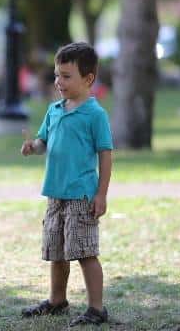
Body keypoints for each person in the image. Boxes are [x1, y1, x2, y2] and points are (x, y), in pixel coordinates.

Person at [19, 42, 113, 327]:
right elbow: (42, 142)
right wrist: (32, 147)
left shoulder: (96, 115)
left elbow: (105, 155)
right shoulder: (54, 110)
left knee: (84, 252)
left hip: (82, 195)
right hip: (55, 193)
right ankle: (57, 300)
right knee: (56, 252)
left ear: (88, 79)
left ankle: (97, 308)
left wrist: (101, 194)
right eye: (57, 75)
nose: (59, 81)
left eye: (67, 76)